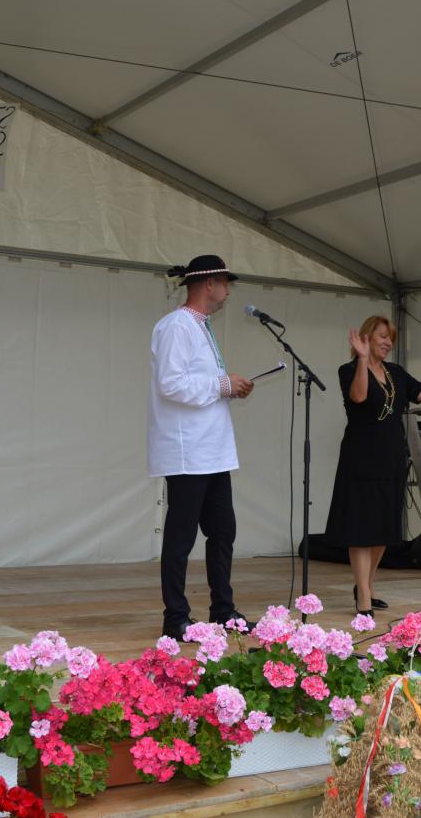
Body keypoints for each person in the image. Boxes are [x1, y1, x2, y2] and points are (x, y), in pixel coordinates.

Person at [148, 254, 255, 641]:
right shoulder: (176, 326)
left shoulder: (201, 326)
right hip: (187, 452)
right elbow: (171, 384)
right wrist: (223, 384)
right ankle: (175, 617)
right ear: (209, 283)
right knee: (181, 537)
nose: (228, 291)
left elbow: (198, 383)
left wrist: (227, 386)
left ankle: (223, 610)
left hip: (212, 451)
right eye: (225, 283)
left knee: (223, 531)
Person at [325, 315, 421, 615]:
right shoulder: (349, 370)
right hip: (361, 457)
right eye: (382, 336)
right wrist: (363, 361)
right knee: (361, 527)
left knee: (383, 528)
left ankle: (365, 584)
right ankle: (363, 596)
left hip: (391, 456)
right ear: (366, 338)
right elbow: (359, 396)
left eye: (390, 337)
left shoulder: (396, 372)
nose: (388, 342)